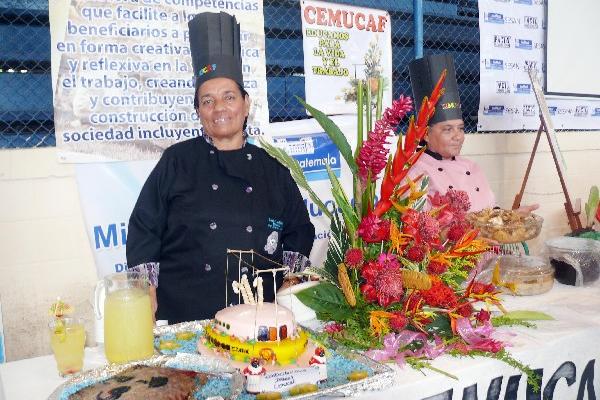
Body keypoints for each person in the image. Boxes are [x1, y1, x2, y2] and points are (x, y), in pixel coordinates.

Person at [126, 12, 315, 324]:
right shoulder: (177, 161)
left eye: (229, 97)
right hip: (187, 317)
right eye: (208, 101)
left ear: (246, 103)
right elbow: (144, 227)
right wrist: (146, 286)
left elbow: (299, 229)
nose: (219, 109)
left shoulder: (275, 172)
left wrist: (290, 281)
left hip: (257, 321)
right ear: (199, 111)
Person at [407, 54, 538, 214]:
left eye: (461, 128)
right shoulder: (415, 172)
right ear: (426, 134)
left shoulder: (471, 166)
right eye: (448, 129)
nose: (458, 136)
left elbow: (491, 213)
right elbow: (418, 226)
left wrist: (511, 216)